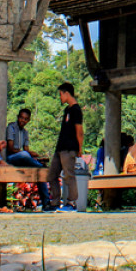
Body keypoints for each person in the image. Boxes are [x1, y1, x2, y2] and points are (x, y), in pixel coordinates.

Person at [48, 82, 85, 212]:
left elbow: (79, 131)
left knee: (69, 175)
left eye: (60, 94)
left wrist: (79, 148)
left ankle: (71, 202)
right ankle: (55, 202)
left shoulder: (76, 110)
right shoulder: (67, 110)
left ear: (66, 93)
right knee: (52, 175)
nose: (60, 97)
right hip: (60, 148)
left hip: (70, 148)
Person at [5, 109, 52, 211]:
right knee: (26, 156)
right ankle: (39, 165)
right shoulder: (11, 127)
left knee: (40, 172)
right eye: (21, 118)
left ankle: (46, 203)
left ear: (28, 120)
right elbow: (10, 148)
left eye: (26, 119)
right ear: (18, 117)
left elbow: (26, 149)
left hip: (23, 158)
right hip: (11, 158)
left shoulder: (25, 132)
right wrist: (27, 154)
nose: (23, 120)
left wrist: (35, 154)